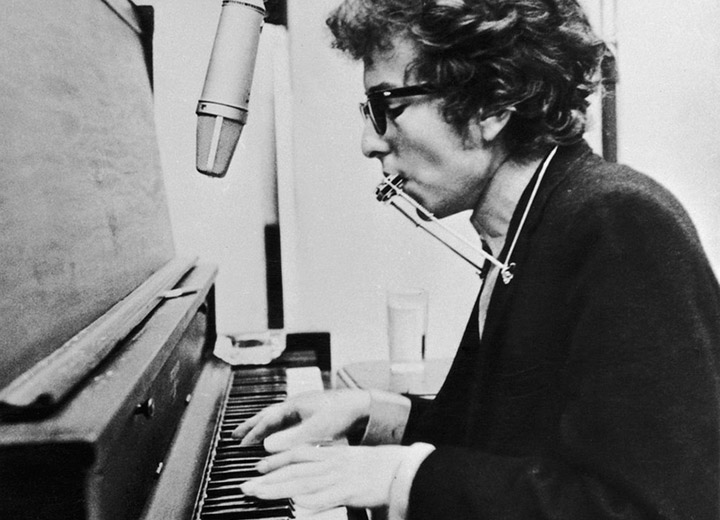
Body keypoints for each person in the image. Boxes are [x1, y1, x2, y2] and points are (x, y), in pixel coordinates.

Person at [233, 1, 720, 519]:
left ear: (490, 106)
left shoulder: (617, 221)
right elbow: (501, 442)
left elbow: (649, 509)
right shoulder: (530, 225)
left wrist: (402, 478)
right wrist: (372, 414)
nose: (369, 143)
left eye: (387, 105)